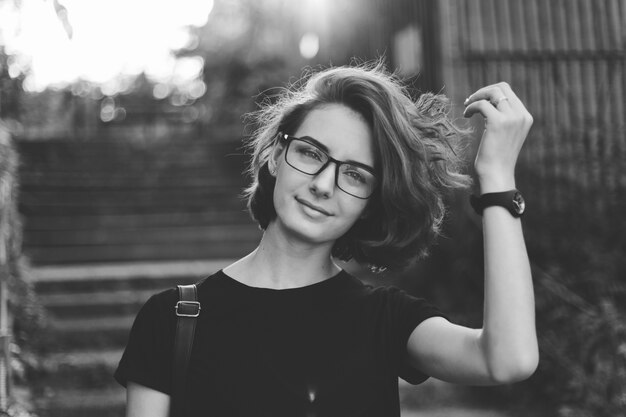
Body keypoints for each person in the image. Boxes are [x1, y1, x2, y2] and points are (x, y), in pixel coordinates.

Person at [114, 62, 538, 417]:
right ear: (275, 156)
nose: (323, 185)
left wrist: (498, 180)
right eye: (311, 153)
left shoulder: (385, 319)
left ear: (371, 202)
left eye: (354, 174)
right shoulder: (170, 320)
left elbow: (508, 359)